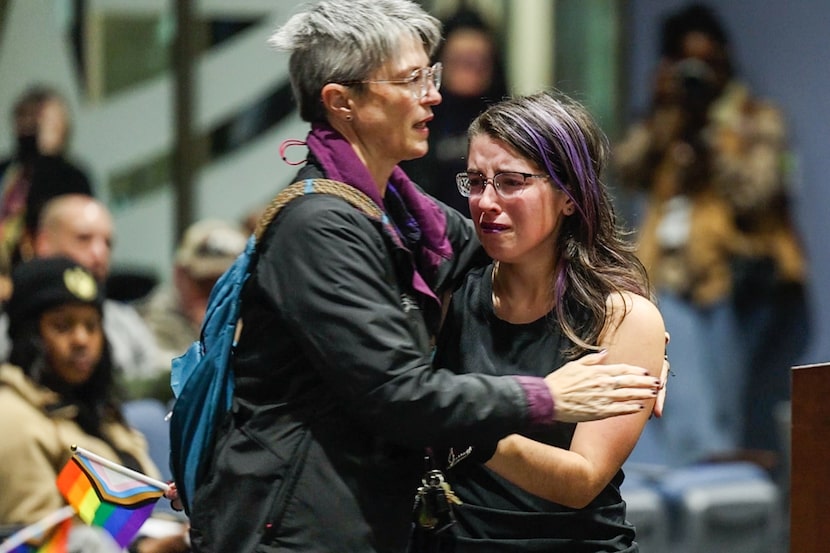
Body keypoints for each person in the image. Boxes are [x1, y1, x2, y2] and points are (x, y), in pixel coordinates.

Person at [184, 2, 661, 552]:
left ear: (570, 195)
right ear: (343, 103)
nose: (433, 94)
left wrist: (639, 331)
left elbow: (527, 254)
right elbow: (400, 395)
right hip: (293, 525)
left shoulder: (403, 220)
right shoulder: (322, 225)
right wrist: (545, 397)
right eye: (412, 79)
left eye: (429, 76)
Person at [408, 91, 665, 552]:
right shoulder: (451, 291)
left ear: (569, 195)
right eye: (476, 180)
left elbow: (581, 480)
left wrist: (463, 424)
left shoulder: (623, 317)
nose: (486, 201)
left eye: (510, 181)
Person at [614, 3, 808, 468]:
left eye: (708, 61)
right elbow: (626, 170)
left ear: (724, 58)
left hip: (733, 285)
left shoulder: (755, 119)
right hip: (668, 280)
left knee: (725, 408)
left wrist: (713, 138)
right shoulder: (667, 119)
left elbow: (757, 193)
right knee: (681, 404)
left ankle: (728, 509)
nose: (699, 74)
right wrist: (664, 115)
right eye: (687, 62)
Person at [0, 257, 188, 553]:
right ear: (29, 335)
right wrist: (146, 549)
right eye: (62, 326)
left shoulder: (97, 409)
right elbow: (36, 542)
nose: (81, 339)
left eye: (92, 325)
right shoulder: (12, 416)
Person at [0, 194, 163, 395]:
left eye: (107, 243)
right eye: (84, 238)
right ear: (43, 242)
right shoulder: (13, 323)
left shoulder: (125, 321)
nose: (99, 253)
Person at [401, 7, 508, 216]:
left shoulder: (508, 122)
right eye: (461, 61)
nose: (471, 70)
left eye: (479, 62)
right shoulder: (419, 119)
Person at [136, 218, 248, 398]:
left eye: (226, 285)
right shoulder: (153, 319)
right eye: (204, 284)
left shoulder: (251, 316)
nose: (215, 296)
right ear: (180, 275)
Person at [0, 85, 93, 283]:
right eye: (23, 116)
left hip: (45, 275)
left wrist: (47, 154)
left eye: (39, 120)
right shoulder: (7, 169)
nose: (29, 126)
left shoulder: (72, 177)